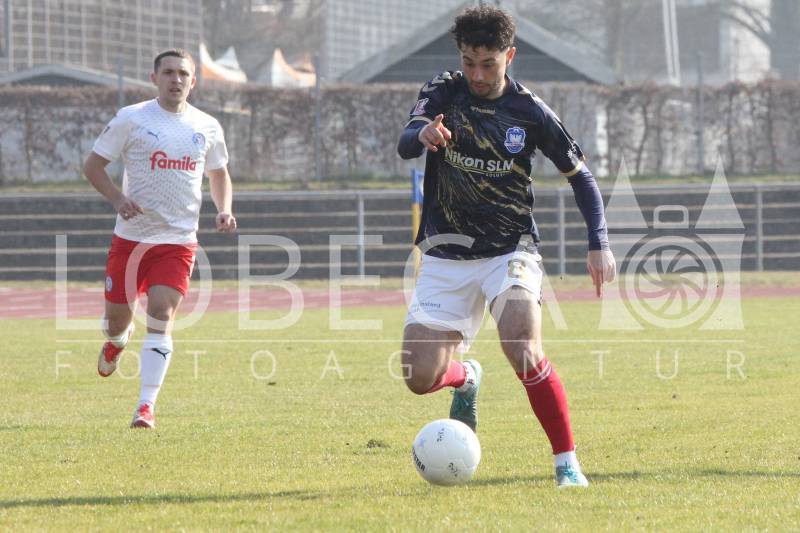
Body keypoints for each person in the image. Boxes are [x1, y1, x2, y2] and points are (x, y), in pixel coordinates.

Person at [397, 5, 616, 488]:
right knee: (418, 376)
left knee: (521, 343)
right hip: (445, 253)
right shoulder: (443, 91)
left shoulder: (530, 111)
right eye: (469, 62)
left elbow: (581, 177)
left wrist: (598, 242)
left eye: (488, 64)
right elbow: (407, 141)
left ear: (509, 56)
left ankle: (566, 464)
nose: (477, 74)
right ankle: (466, 377)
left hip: (509, 249)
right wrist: (423, 132)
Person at [83, 49, 236, 429]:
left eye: (183, 73)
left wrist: (224, 208)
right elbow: (93, 165)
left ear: (193, 81)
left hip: (178, 241)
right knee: (115, 322)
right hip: (131, 239)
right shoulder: (132, 118)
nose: (175, 79)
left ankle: (145, 406)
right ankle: (117, 341)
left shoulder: (207, 126)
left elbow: (219, 173)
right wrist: (118, 199)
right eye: (168, 72)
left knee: (162, 315)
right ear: (154, 78)